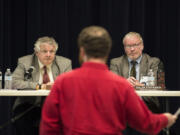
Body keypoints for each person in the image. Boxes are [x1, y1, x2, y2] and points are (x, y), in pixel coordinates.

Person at [40, 26, 176, 135]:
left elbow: (48, 126)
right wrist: (165, 119)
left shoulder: (62, 82)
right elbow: (145, 123)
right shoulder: (121, 85)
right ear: (107, 51)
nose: (132, 49)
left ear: (82, 52)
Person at [12, 36, 72, 135]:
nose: (48, 55)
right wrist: (39, 86)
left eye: (51, 51)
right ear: (37, 52)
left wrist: (56, 86)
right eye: (44, 51)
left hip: (55, 106)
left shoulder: (64, 63)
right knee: (23, 120)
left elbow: (70, 85)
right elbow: (14, 81)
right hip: (28, 105)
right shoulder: (25, 62)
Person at [110, 32, 165, 134]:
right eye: (128, 46)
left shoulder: (153, 62)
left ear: (142, 46)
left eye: (135, 45)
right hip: (123, 108)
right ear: (124, 48)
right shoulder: (116, 63)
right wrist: (124, 83)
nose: (132, 49)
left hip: (147, 106)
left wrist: (140, 85)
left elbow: (160, 87)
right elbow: (112, 86)